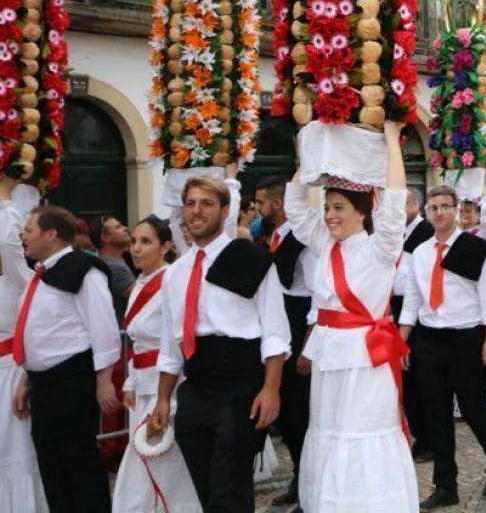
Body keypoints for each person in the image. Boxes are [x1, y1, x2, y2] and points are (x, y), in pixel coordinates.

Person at [285, 122, 417, 512]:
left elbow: (395, 200)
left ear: (363, 212)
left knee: (362, 434)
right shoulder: (324, 243)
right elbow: (295, 205)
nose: (329, 216)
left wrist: (392, 141)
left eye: (339, 208)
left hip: (366, 358)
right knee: (328, 432)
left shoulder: (380, 248)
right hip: (330, 356)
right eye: (327, 207)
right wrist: (311, 158)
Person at [149, 177, 290, 511]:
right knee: (206, 487)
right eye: (191, 203)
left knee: (229, 488)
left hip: (239, 384)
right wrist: (163, 400)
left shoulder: (251, 259)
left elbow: (274, 331)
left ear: (225, 211)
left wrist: (271, 389)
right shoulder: (175, 273)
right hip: (195, 386)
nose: (197, 211)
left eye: (207, 203)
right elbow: (171, 343)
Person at [399, 185, 486, 510]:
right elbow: (412, 300)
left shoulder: (475, 248)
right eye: (434, 207)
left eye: (445, 206)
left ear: (457, 210)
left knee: (474, 409)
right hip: (429, 339)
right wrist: (401, 342)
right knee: (436, 415)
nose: (440, 212)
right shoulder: (420, 252)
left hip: (466, 338)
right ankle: (445, 485)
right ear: (428, 212)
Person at [11, 204, 121, 512]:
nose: (24, 237)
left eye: (29, 231)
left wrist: (104, 381)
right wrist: (26, 378)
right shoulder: (41, 273)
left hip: (71, 382)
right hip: (43, 385)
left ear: (51, 234)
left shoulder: (83, 270)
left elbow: (103, 326)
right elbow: (39, 332)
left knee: (79, 465)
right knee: (51, 466)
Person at [112, 215, 200, 513]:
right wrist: (129, 381)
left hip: (166, 385)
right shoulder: (139, 284)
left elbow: (172, 340)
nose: (136, 248)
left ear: (165, 247)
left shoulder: (172, 279)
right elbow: (137, 342)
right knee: (146, 453)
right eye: (134, 241)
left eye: (146, 242)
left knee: (161, 457)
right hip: (142, 383)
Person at [255, 175, 317, 509]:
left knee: (298, 411)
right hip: (277, 320)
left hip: (297, 321)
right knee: (287, 414)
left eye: (261, 202)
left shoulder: (302, 240)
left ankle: (308, 482)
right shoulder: (273, 237)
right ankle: (300, 474)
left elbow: (315, 293)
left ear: (277, 204)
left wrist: (307, 345)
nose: (257, 208)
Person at [0, 178, 47, 510]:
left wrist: (5, 197)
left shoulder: (21, 280)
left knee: (13, 455)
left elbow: (10, 243)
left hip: (9, 376)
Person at [393, 187, 435, 462]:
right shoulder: (399, 234)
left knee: (420, 380)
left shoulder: (425, 233)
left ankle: (429, 437)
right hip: (397, 309)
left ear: (413, 205)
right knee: (406, 380)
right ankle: (418, 433)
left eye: (402, 204)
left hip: (418, 312)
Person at [88, 215, 137, 322]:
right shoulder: (113, 268)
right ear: (105, 237)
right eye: (118, 227)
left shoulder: (119, 260)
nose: (125, 228)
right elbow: (141, 296)